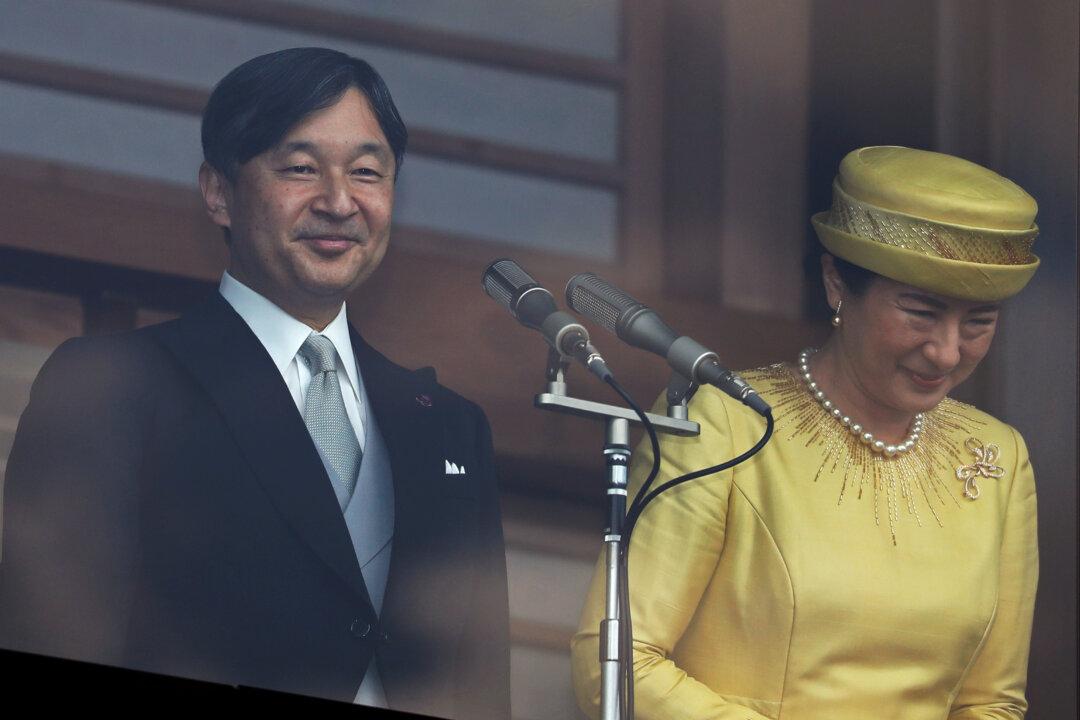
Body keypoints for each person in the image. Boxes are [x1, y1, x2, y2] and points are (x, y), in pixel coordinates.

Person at [0, 47, 510, 719]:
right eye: (300, 168)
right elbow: (51, 631)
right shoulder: (111, 386)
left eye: (366, 172)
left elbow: (478, 684)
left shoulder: (449, 425)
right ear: (219, 192)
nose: (339, 202)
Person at [571, 146, 1040, 719]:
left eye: (978, 323)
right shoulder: (722, 422)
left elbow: (992, 701)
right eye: (921, 313)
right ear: (837, 283)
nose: (946, 352)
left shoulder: (996, 457)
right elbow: (617, 663)